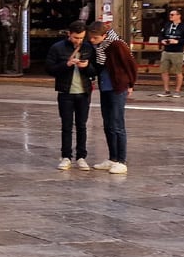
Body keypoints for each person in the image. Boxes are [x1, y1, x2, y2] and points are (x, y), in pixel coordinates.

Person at [45, 21, 97, 171]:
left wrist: (87, 67)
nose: (78, 41)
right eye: (75, 37)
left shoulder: (88, 48)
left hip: (84, 92)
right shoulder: (57, 48)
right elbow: (49, 68)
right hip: (65, 92)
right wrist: (66, 64)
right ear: (69, 34)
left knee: (82, 125)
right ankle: (66, 156)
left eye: (81, 38)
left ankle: (81, 157)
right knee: (66, 125)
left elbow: (95, 71)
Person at [87, 21, 135, 175]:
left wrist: (131, 84)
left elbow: (130, 64)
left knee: (117, 124)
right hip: (105, 87)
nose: (92, 41)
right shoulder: (99, 47)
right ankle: (112, 158)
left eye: (95, 38)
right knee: (108, 123)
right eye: (91, 38)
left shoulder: (117, 45)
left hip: (117, 87)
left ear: (104, 35)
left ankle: (122, 160)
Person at [156, 8, 184, 98]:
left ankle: (177, 91)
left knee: (178, 71)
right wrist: (162, 40)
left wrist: (177, 41)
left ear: (178, 16)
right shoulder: (167, 25)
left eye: (172, 15)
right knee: (164, 71)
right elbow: (161, 35)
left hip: (177, 51)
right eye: (170, 14)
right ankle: (166, 90)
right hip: (166, 50)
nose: (170, 16)